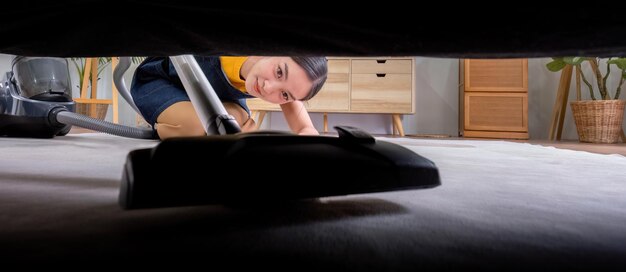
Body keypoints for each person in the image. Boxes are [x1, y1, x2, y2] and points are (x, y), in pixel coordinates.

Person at [130, 56, 328, 140]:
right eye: (278, 72)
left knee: (232, 130)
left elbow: (305, 128)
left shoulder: (287, 83)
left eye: (285, 95)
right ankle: (172, 125)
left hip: (214, 99)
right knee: (200, 128)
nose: (269, 88)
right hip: (161, 82)